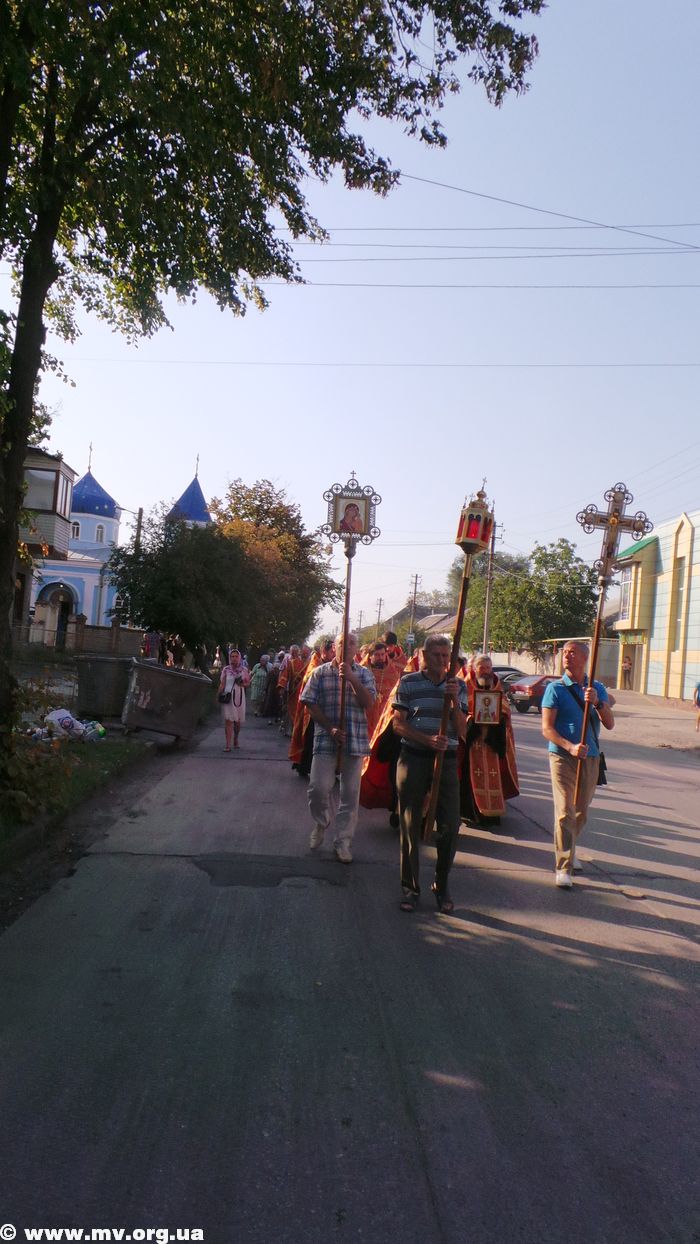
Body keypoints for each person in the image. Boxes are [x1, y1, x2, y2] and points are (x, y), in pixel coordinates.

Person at [392, 634, 468, 913]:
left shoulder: (459, 685)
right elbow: (398, 725)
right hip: (414, 757)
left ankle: (442, 884)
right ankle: (410, 888)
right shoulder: (408, 682)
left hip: (446, 761)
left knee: (450, 825)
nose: (442, 660)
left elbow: (463, 731)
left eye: (446, 656)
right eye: (436, 655)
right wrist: (426, 740)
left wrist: (452, 701)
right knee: (410, 823)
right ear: (424, 656)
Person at [541, 640, 615, 888]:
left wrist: (597, 702)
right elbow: (547, 729)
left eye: (572, 652)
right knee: (565, 810)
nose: (566, 656)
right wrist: (570, 746)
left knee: (581, 810)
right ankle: (563, 867)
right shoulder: (555, 689)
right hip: (562, 757)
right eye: (565, 652)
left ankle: (570, 846)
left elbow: (609, 723)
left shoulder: (597, 688)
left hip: (590, 757)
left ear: (585, 658)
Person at [300, 632, 376, 863]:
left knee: (350, 795)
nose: (347, 646)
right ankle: (321, 822)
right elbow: (309, 702)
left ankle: (343, 841)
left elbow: (369, 702)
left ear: (357, 649)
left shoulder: (364, 674)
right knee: (318, 789)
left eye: (352, 643)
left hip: (354, 739)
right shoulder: (320, 672)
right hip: (326, 738)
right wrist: (330, 728)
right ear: (335, 647)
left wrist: (351, 679)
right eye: (343, 643)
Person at [459, 654, 519, 829]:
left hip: (492, 739)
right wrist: (471, 719)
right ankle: (472, 812)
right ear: (474, 669)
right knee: (469, 777)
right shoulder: (465, 684)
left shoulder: (496, 685)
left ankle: (492, 814)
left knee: (494, 775)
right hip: (472, 740)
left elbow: (505, 707)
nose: (486, 671)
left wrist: (500, 715)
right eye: (482, 668)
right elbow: (459, 709)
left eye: (488, 668)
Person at [289, 637, 336, 777]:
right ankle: (306, 767)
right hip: (312, 710)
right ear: (324, 651)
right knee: (310, 739)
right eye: (332, 651)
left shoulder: (330, 663)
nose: (334, 654)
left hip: (328, 708)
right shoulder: (315, 665)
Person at [218, 648, 251, 752]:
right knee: (228, 720)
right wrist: (218, 695)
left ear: (239, 658)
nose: (234, 658)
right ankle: (228, 744)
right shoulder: (226, 669)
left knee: (237, 722)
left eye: (236, 656)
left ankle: (235, 738)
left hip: (239, 698)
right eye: (232, 656)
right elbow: (222, 683)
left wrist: (242, 684)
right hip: (228, 697)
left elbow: (247, 683)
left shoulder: (244, 670)